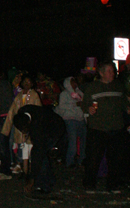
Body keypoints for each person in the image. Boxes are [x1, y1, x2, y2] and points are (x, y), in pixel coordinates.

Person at [80, 60, 129, 192]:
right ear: (101, 73)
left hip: (117, 128)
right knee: (93, 158)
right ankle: (89, 184)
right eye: (108, 71)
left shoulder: (118, 86)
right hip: (98, 128)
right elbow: (84, 104)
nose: (112, 73)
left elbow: (124, 103)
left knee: (115, 159)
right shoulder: (93, 87)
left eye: (113, 71)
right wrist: (88, 109)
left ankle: (113, 185)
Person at [13, 106, 66, 195]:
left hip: (55, 130)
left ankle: (44, 186)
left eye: (25, 130)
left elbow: (38, 153)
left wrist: (31, 181)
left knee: (39, 156)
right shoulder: (22, 112)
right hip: (47, 125)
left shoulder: (37, 127)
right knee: (41, 155)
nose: (24, 132)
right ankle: (49, 180)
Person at [1, 73, 41, 176]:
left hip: (31, 127)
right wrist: (6, 129)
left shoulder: (34, 95)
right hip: (20, 126)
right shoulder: (18, 96)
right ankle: (25, 171)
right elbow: (11, 112)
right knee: (23, 149)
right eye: (24, 82)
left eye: (29, 82)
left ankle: (32, 172)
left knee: (31, 148)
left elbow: (39, 111)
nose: (26, 84)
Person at [55, 76, 87, 167]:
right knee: (72, 142)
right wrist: (75, 104)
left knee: (83, 141)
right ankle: (70, 161)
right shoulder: (64, 94)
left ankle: (82, 159)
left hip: (80, 119)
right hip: (70, 119)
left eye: (74, 81)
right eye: (72, 81)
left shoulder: (79, 93)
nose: (74, 83)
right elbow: (61, 106)